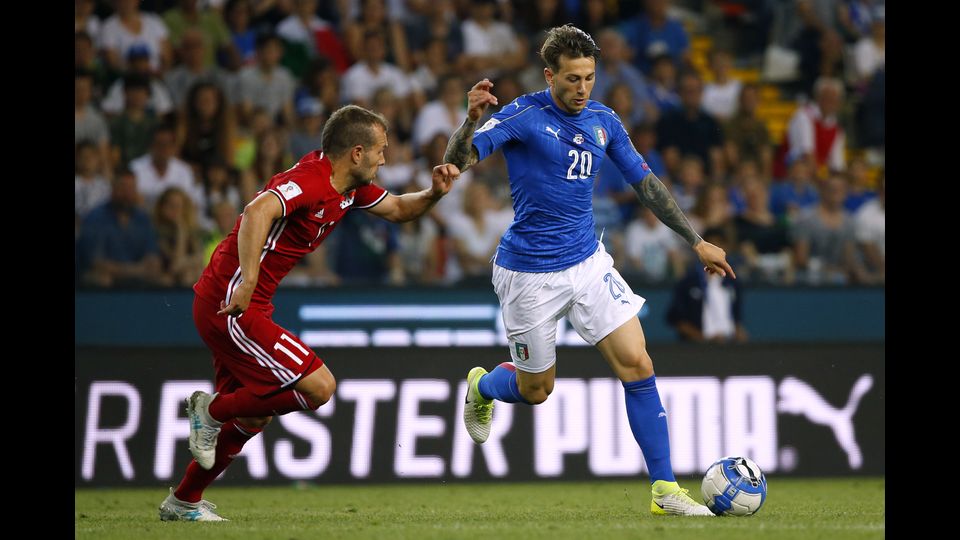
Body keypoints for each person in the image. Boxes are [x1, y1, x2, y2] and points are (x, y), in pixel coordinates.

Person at [443, 24, 734, 517]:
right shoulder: (523, 115)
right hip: (529, 273)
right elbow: (460, 159)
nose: (582, 89)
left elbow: (646, 184)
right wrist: (469, 121)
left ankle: (665, 490)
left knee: (638, 364)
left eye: (590, 78)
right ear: (549, 74)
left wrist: (696, 240)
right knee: (536, 390)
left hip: (587, 262)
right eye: (573, 79)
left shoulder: (604, 119)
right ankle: (482, 387)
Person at [159, 105, 462, 521]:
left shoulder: (350, 188)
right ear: (357, 152)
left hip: (243, 302)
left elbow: (398, 210)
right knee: (319, 387)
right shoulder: (312, 180)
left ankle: (183, 501)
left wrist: (434, 194)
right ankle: (209, 411)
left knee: (255, 412)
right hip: (230, 302)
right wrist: (248, 280)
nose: (385, 159)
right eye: (381, 150)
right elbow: (257, 211)